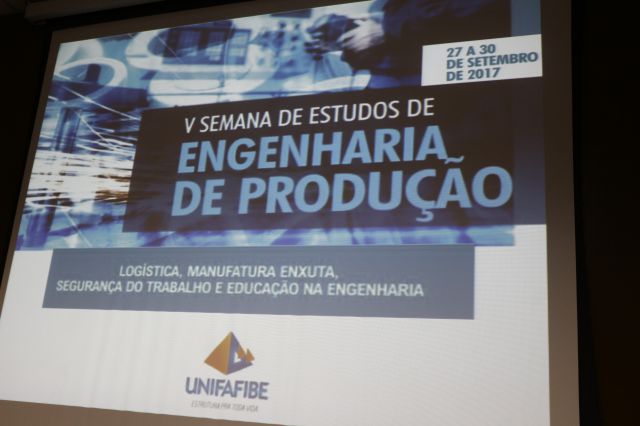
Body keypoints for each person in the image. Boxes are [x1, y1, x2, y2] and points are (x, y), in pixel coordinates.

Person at [326, 0, 512, 88]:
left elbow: (479, 7)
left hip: (452, 89)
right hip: (394, 86)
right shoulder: (379, 6)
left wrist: (388, 27)